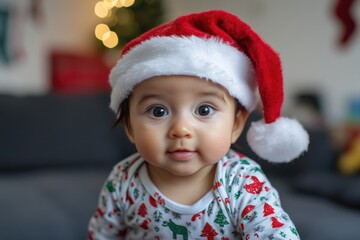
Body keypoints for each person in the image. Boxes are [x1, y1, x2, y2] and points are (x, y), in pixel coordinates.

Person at [88, 10, 309, 240]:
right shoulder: (123, 180)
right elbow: (103, 234)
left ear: (236, 124)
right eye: (158, 111)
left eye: (204, 110)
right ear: (130, 127)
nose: (181, 129)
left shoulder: (243, 182)